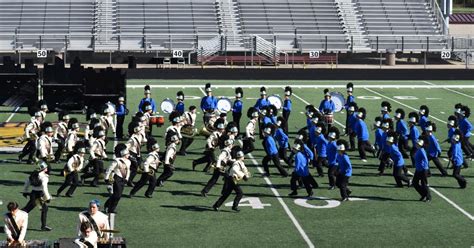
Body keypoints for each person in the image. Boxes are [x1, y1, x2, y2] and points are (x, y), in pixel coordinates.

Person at [22, 161, 52, 231]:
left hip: (33, 194)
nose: (47, 168)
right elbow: (44, 188)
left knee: (42, 209)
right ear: (43, 168)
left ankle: (43, 226)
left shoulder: (33, 175)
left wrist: (25, 191)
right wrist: (47, 198)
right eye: (46, 167)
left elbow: (27, 183)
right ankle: (13, 218)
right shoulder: (44, 177)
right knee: (27, 210)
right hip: (39, 194)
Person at [104, 146, 131, 214]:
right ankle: (111, 209)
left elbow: (128, 171)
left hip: (123, 179)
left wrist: (127, 178)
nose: (129, 155)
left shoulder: (128, 162)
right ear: (124, 154)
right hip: (117, 178)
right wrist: (106, 178)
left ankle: (108, 205)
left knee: (118, 195)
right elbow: (110, 169)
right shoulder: (117, 161)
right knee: (117, 195)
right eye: (128, 154)